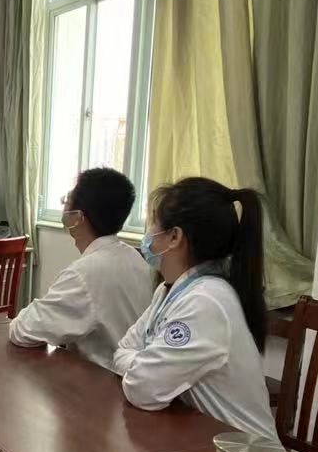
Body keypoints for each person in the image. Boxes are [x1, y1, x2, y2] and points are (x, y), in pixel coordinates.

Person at [113, 177, 276, 436]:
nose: (148, 232)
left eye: (153, 222)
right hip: (201, 435)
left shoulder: (205, 301)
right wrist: (143, 365)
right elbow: (123, 350)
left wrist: (142, 366)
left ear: (174, 236)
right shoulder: (170, 290)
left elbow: (143, 389)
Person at [8, 167, 155, 368]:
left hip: (98, 379)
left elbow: (23, 331)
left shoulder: (84, 274)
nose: (64, 205)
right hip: (129, 374)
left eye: (68, 199)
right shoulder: (136, 259)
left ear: (78, 216)